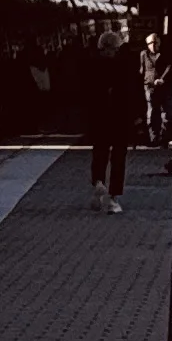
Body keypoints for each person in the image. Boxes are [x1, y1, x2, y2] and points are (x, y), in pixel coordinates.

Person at [65, 29, 141, 212]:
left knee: (99, 152)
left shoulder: (90, 66)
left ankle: (98, 183)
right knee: (118, 157)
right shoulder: (125, 66)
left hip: (98, 119)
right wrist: (137, 118)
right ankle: (113, 197)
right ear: (118, 47)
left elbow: (81, 93)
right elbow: (133, 93)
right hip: (120, 119)